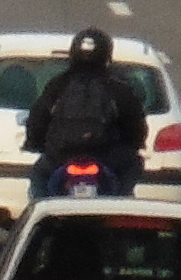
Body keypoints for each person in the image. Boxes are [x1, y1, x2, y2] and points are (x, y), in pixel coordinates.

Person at [24, 29, 151, 198]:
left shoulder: (58, 85)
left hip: (61, 156)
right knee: (133, 165)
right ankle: (120, 204)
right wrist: (134, 144)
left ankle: (41, 210)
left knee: (39, 177)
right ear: (107, 54)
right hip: (107, 157)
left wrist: (34, 143)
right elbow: (136, 126)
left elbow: (37, 120)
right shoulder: (118, 88)